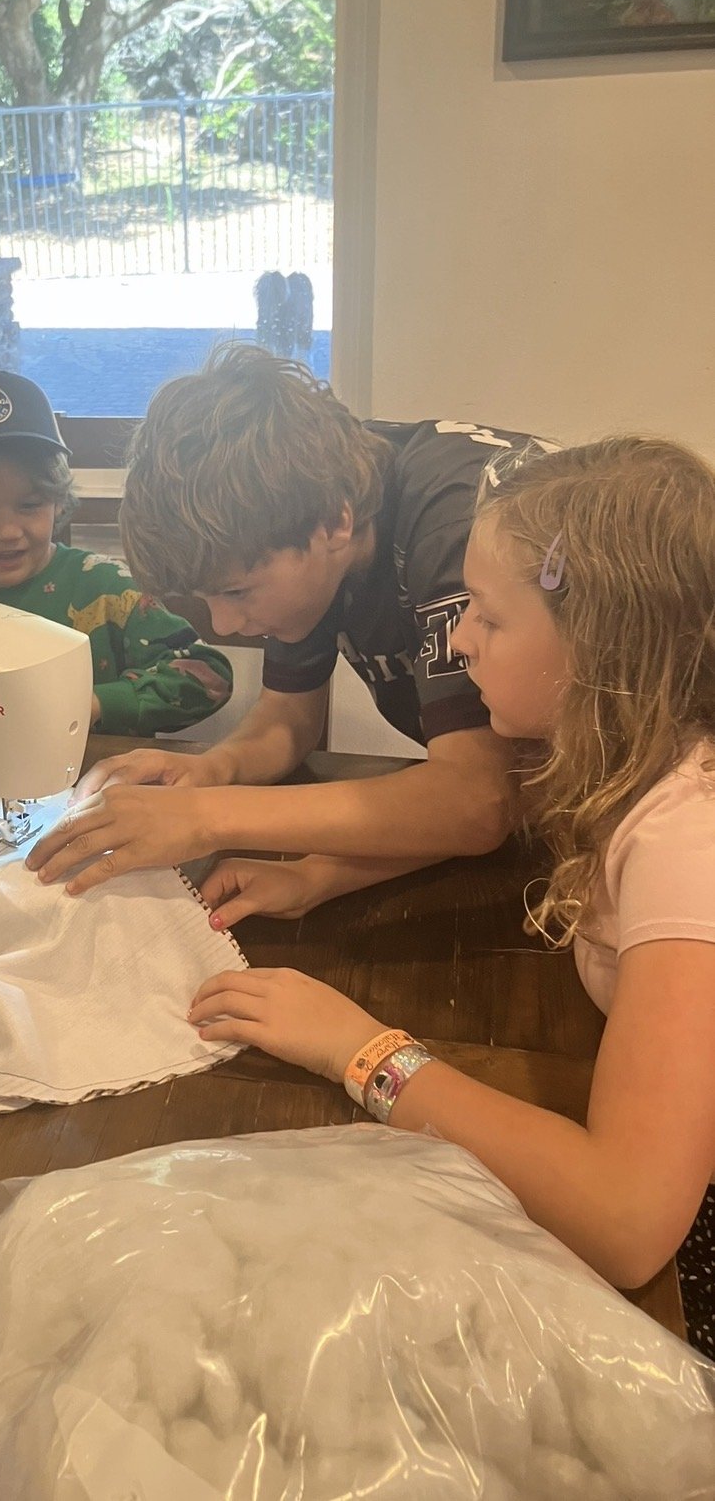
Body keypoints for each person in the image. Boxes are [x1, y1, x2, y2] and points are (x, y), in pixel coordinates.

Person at [189, 436, 715, 1351]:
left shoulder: (685, 839)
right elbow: (495, 820)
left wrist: (360, 1051)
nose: (458, 637)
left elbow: (627, 1222)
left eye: (487, 616)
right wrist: (323, 876)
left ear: (601, 642)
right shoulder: (615, 762)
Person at [27, 344, 551, 899]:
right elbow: (289, 714)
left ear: (335, 525)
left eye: (236, 591)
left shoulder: (461, 529)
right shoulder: (305, 491)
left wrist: (205, 816)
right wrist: (214, 771)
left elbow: (480, 799)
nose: (225, 624)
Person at [0, 368, 233, 736]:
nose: (6, 531)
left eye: (30, 504)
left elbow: (210, 677)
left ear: (57, 500)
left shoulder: (109, 587)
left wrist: (98, 704)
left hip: (101, 782)